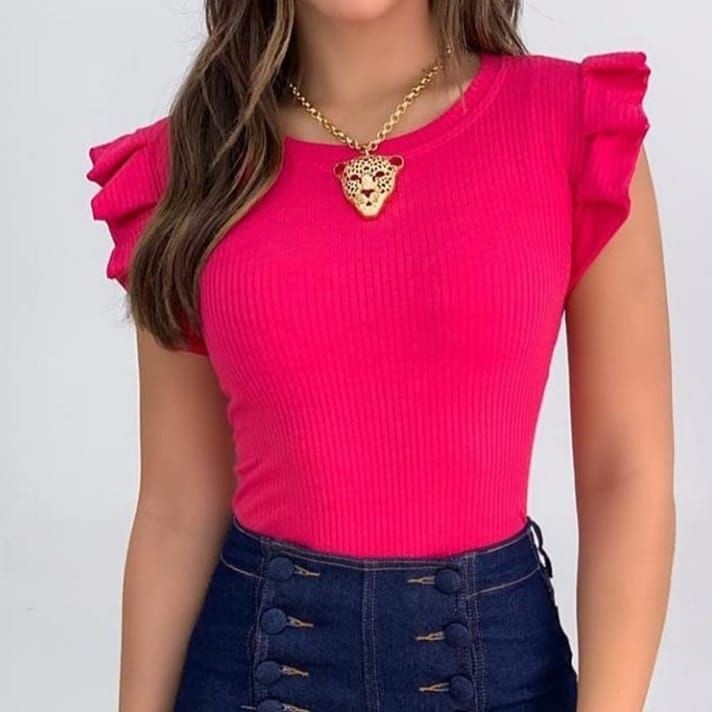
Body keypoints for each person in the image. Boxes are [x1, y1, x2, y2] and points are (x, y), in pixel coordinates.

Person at [86, 1, 675, 710]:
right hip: (247, 674)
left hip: (502, 675)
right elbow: (178, 507)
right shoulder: (188, 169)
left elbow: (625, 475)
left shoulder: (574, 126)